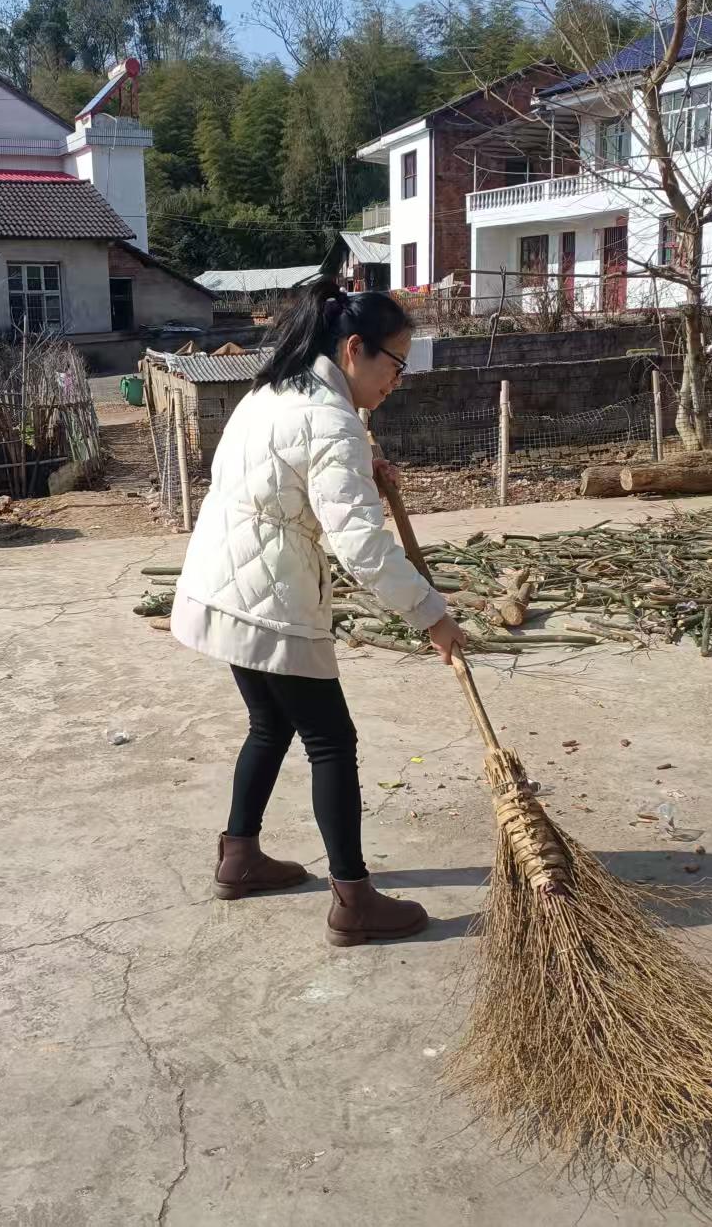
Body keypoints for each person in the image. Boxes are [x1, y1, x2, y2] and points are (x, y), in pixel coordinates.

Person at [171, 280, 469, 946]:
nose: (398, 379)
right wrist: (431, 614)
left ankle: (239, 856)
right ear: (354, 348)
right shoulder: (331, 419)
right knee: (333, 740)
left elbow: (273, 474)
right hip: (267, 599)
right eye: (394, 363)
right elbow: (360, 544)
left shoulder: (273, 390)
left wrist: (363, 467)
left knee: (269, 724)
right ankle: (353, 901)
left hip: (222, 583)